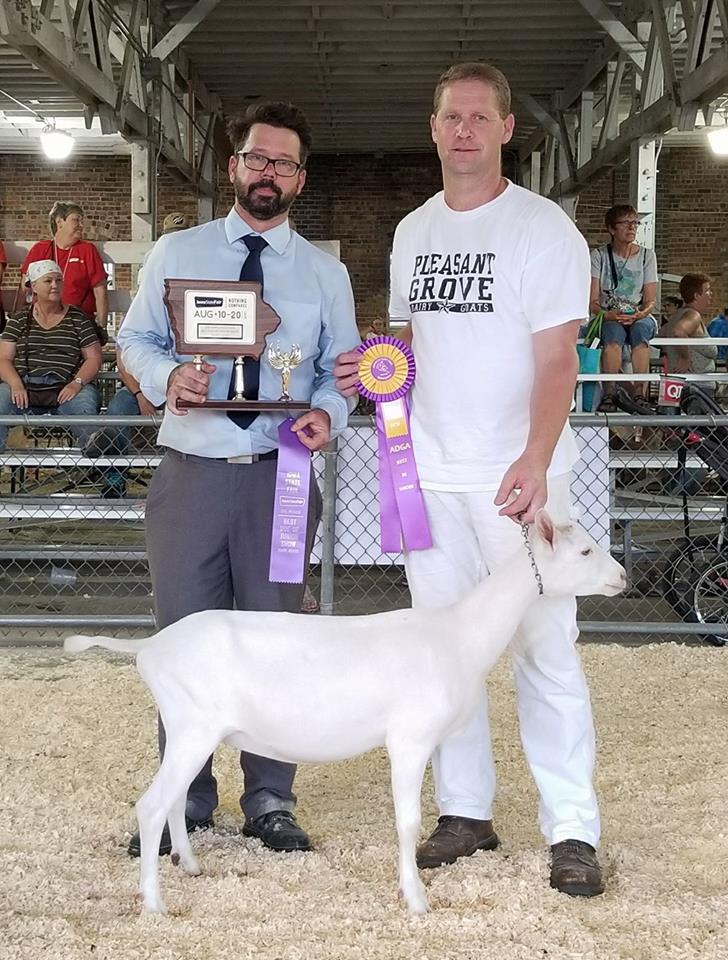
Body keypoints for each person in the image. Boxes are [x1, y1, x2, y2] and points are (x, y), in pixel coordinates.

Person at [334, 61, 603, 898]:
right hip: (433, 474)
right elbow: (409, 348)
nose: (464, 131)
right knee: (440, 652)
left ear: (506, 129)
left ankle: (572, 830)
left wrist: (533, 457)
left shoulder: (542, 227)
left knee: (545, 649)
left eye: (481, 118)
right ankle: (466, 812)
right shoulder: (412, 231)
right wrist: (372, 369)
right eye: (452, 116)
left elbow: (557, 359)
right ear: (434, 125)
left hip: (518, 478)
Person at [116, 100, 359, 858]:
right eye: (257, 158)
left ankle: (270, 799)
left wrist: (326, 412)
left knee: (277, 643)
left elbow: (342, 372)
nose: (268, 173)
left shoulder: (326, 273)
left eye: (283, 163)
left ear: (300, 179)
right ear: (234, 166)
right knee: (184, 642)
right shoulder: (176, 251)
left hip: (279, 478)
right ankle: (184, 799)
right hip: (191, 471)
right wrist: (166, 376)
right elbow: (134, 339)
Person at [0, 260, 101, 449]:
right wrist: (15, 384)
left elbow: (93, 358)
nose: (55, 285)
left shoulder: (78, 318)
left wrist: (76, 383)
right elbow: (3, 358)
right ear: (34, 286)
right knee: (1, 400)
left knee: (85, 408)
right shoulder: (20, 319)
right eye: (48, 281)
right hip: (25, 384)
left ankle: (97, 459)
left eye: (59, 280)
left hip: (67, 384)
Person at [589, 204, 658, 413]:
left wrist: (640, 314)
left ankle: (640, 392)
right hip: (611, 314)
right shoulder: (599, 256)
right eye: (625, 223)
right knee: (611, 336)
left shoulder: (647, 256)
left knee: (641, 332)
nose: (632, 227)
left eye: (635, 222)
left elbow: (650, 300)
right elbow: (592, 301)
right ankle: (609, 392)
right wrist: (608, 314)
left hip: (638, 314)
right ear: (612, 229)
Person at [21, 201, 109, 336]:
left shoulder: (87, 250)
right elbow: (25, 289)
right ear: (59, 222)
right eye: (76, 220)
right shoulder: (41, 249)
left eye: (82, 221)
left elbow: (100, 292)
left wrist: (101, 328)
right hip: (41, 320)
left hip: (77, 322)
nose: (81, 225)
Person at [662, 273, 717, 388]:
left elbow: (661, 337)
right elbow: (679, 331)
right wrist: (685, 358)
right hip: (696, 385)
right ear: (696, 295)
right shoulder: (693, 316)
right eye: (707, 290)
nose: (711, 294)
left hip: (677, 383)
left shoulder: (675, 317)